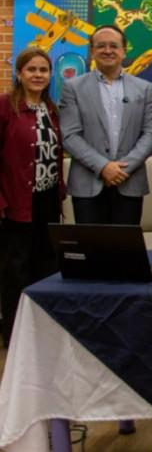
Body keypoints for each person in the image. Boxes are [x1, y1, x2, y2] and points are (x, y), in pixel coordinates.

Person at [60, 25, 152, 225]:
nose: (107, 51)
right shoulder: (73, 88)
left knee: (124, 252)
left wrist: (122, 169)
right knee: (90, 250)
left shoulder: (144, 88)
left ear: (124, 50)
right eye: (101, 46)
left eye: (114, 46)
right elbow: (70, 135)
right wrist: (103, 167)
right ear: (92, 51)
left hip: (129, 182)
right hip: (87, 184)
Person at [0, 48, 63, 347]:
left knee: (45, 269)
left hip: (47, 201)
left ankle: (40, 339)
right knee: (15, 272)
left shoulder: (51, 109)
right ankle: (15, 340)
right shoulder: (4, 107)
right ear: (20, 74)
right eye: (31, 70)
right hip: (15, 203)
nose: (38, 75)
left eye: (43, 70)